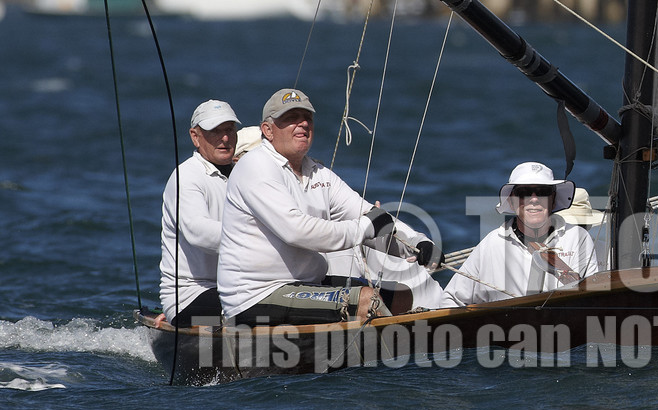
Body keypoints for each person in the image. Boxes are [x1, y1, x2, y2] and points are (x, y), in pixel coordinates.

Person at [218, 87, 436, 325]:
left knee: (401, 296)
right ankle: (383, 359)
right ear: (267, 130)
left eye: (307, 118)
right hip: (256, 296)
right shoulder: (255, 165)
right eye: (291, 118)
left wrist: (417, 243)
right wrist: (363, 228)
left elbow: (369, 215)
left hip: (305, 286)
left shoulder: (318, 173)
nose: (302, 124)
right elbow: (296, 230)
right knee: (367, 301)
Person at [443, 162, 598, 307]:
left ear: (553, 199)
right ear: (511, 202)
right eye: (523, 193)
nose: (534, 199)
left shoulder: (577, 237)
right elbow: (450, 300)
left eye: (543, 192)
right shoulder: (491, 244)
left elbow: (592, 299)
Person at [159, 99, 240, 326]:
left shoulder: (244, 174)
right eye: (215, 131)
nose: (224, 138)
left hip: (237, 288)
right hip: (190, 295)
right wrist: (256, 238)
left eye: (229, 130)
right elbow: (199, 232)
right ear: (195, 136)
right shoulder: (185, 177)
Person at [562, 186, 610, 273]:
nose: (576, 231)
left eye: (580, 225)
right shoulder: (607, 251)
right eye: (571, 226)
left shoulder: (608, 252)